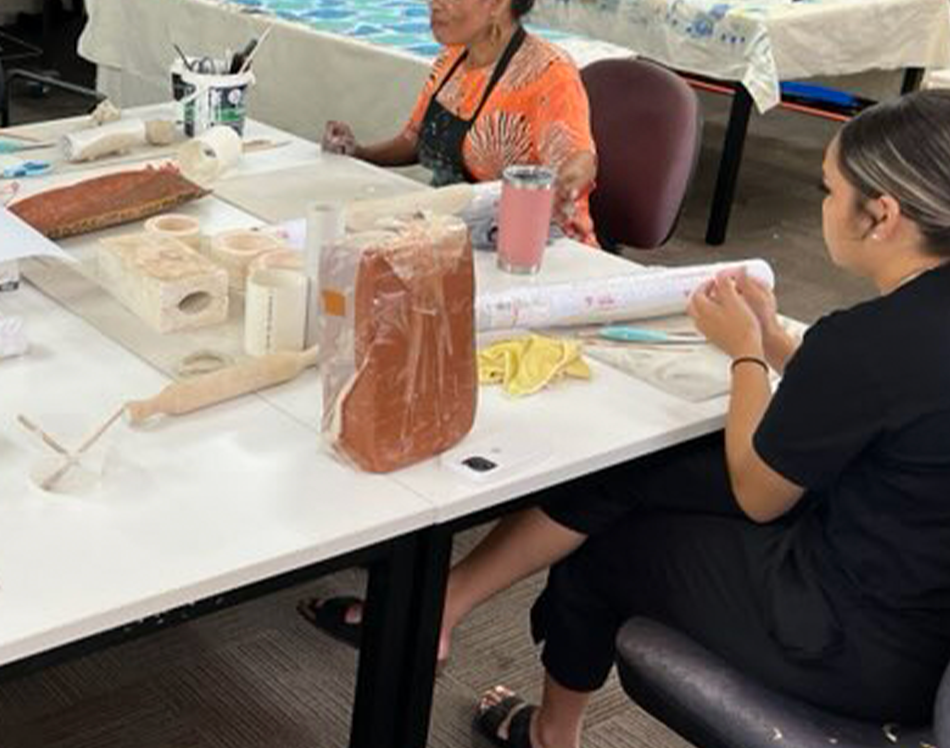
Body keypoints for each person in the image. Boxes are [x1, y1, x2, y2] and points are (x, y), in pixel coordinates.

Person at [311, 90, 950, 748]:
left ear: (881, 216)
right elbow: (869, 397)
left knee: (605, 547)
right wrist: (774, 339)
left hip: (854, 642)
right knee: (642, 470)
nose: (823, 205)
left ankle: (551, 733)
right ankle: (446, 601)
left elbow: (760, 493)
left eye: (829, 190)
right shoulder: (902, 328)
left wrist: (746, 356)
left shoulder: (873, 340)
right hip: (914, 604)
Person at [321, 0, 598, 244]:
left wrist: (564, 184)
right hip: (459, 233)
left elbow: (581, 161)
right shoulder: (452, 57)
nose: (436, 4)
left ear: (497, 0)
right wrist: (360, 153)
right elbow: (415, 140)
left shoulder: (548, 74)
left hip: (536, 244)